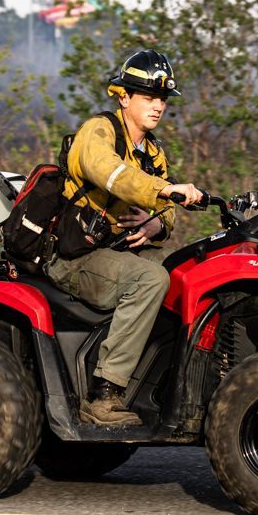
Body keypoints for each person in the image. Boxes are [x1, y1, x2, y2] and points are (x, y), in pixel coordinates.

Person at [45, 49, 204, 427]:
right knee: (151, 279)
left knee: (184, 273)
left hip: (114, 254)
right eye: (148, 97)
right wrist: (163, 193)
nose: (158, 106)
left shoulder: (153, 152)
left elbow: (166, 211)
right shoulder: (98, 131)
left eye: (162, 98)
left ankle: (165, 381)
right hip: (74, 257)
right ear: (123, 97)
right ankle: (104, 394)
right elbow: (109, 173)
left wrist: (155, 224)